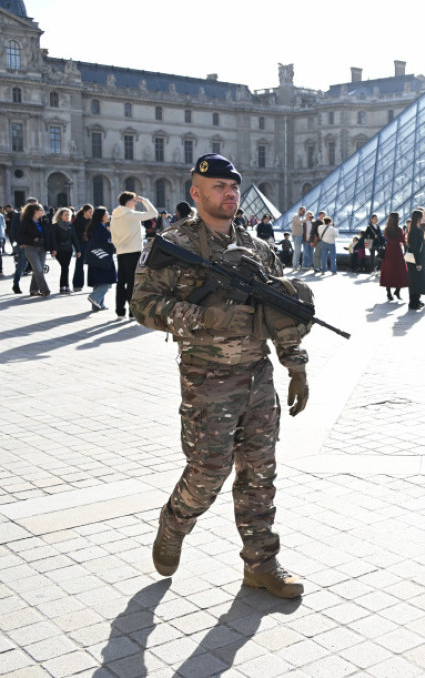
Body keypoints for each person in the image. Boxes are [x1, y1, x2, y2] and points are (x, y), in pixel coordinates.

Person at [132, 153, 310, 599]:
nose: (229, 194)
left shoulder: (258, 249)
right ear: (196, 192)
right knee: (209, 471)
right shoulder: (174, 245)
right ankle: (174, 523)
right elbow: (143, 307)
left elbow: (281, 313)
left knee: (259, 473)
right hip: (206, 379)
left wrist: (296, 366)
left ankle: (261, 564)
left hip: (257, 377)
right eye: (218, 187)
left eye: (234, 187)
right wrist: (205, 318)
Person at [110, 191, 158, 319]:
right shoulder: (131, 215)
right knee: (133, 282)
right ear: (129, 202)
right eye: (134, 201)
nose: (135, 204)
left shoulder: (114, 215)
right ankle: (132, 311)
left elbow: (113, 234)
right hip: (134, 251)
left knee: (121, 282)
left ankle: (120, 311)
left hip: (120, 251)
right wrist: (144, 200)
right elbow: (154, 213)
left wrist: (118, 246)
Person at [17, 203, 53, 297]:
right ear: (35, 211)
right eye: (41, 210)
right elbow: (21, 235)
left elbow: (49, 234)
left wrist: (52, 247)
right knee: (38, 269)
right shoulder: (26, 222)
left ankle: (33, 290)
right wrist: (32, 240)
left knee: (38, 270)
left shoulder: (43, 221)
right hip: (31, 248)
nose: (43, 212)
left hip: (42, 248)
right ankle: (45, 289)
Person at [85, 207, 116, 311]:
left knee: (98, 281)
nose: (109, 216)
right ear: (101, 216)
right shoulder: (99, 227)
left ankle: (97, 305)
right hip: (102, 256)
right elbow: (102, 239)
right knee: (108, 280)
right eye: (107, 214)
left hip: (97, 257)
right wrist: (110, 233)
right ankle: (94, 297)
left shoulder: (97, 226)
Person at [379, 212, 408, 302]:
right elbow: (403, 240)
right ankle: (397, 291)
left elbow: (385, 238)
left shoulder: (387, 229)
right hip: (397, 252)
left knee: (389, 271)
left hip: (389, 252)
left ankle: (388, 292)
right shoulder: (399, 230)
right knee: (400, 271)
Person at [51, 207, 81, 294]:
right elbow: (53, 239)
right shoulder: (55, 226)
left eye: (69, 215)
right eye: (66, 215)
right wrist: (54, 249)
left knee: (65, 267)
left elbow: (74, 238)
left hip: (68, 250)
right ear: (60, 216)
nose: (68, 216)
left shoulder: (70, 226)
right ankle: (65, 286)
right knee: (65, 267)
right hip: (59, 250)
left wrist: (78, 250)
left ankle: (64, 286)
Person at [406, 210, 425, 309]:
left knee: (417, 281)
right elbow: (415, 248)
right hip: (415, 260)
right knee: (414, 281)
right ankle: (413, 303)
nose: (424, 218)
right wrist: (418, 262)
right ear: (418, 218)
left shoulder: (418, 228)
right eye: (422, 216)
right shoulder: (415, 230)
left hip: (417, 259)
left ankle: (416, 300)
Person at [71, 205, 93, 291]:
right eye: (89, 212)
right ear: (84, 211)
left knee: (92, 264)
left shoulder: (92, 221)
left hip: (90, 244)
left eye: (92, 212)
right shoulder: (78, 220)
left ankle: (93, 283)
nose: (91, 214)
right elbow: (74, 234)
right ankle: (77, 284)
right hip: (81, 244)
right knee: (79, 264)